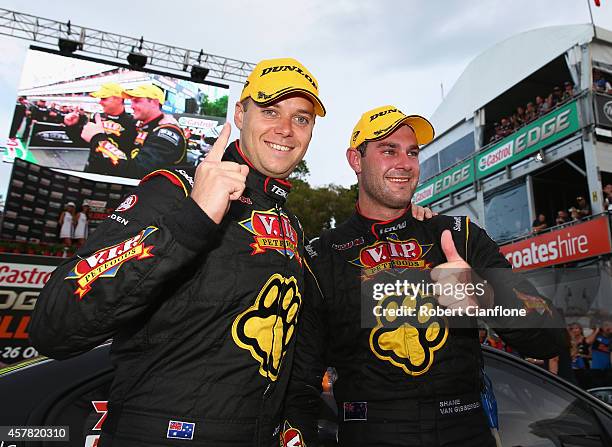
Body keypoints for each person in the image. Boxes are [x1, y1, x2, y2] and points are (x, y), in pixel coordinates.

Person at [31, 57, 330, 447]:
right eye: (271, 110)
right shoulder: (177, 189)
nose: (286, 130)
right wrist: (193, 220)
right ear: (240, 114)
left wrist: (297, 426)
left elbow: (298, 352)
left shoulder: (289, 223)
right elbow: (55, 323)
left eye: (302, 119)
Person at [285, 105, 567, 446]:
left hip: (464, 427)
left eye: (412, 152)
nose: (404, 163)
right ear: (356, 161)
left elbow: (551, 336)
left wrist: (486, 296)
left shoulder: (459, 236)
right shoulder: (322, 254)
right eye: (388, 150)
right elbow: (300, 381)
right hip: (369, 432)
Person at [81, 83, 186, 179]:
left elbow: (138, 171)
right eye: (131, 101)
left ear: (154, 102)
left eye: (137, 101)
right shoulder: (142, 126)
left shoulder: (166, 132)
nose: (131, 106)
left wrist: (98, 138)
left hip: (153, 196)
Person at [67, 83, 137, 175]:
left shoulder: (132, 123)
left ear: (118, 99)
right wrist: (72, 126)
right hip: (91, 171)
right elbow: (80, 142)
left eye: (104, 98)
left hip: (116, 175)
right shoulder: (97, 118)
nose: (100, 102)